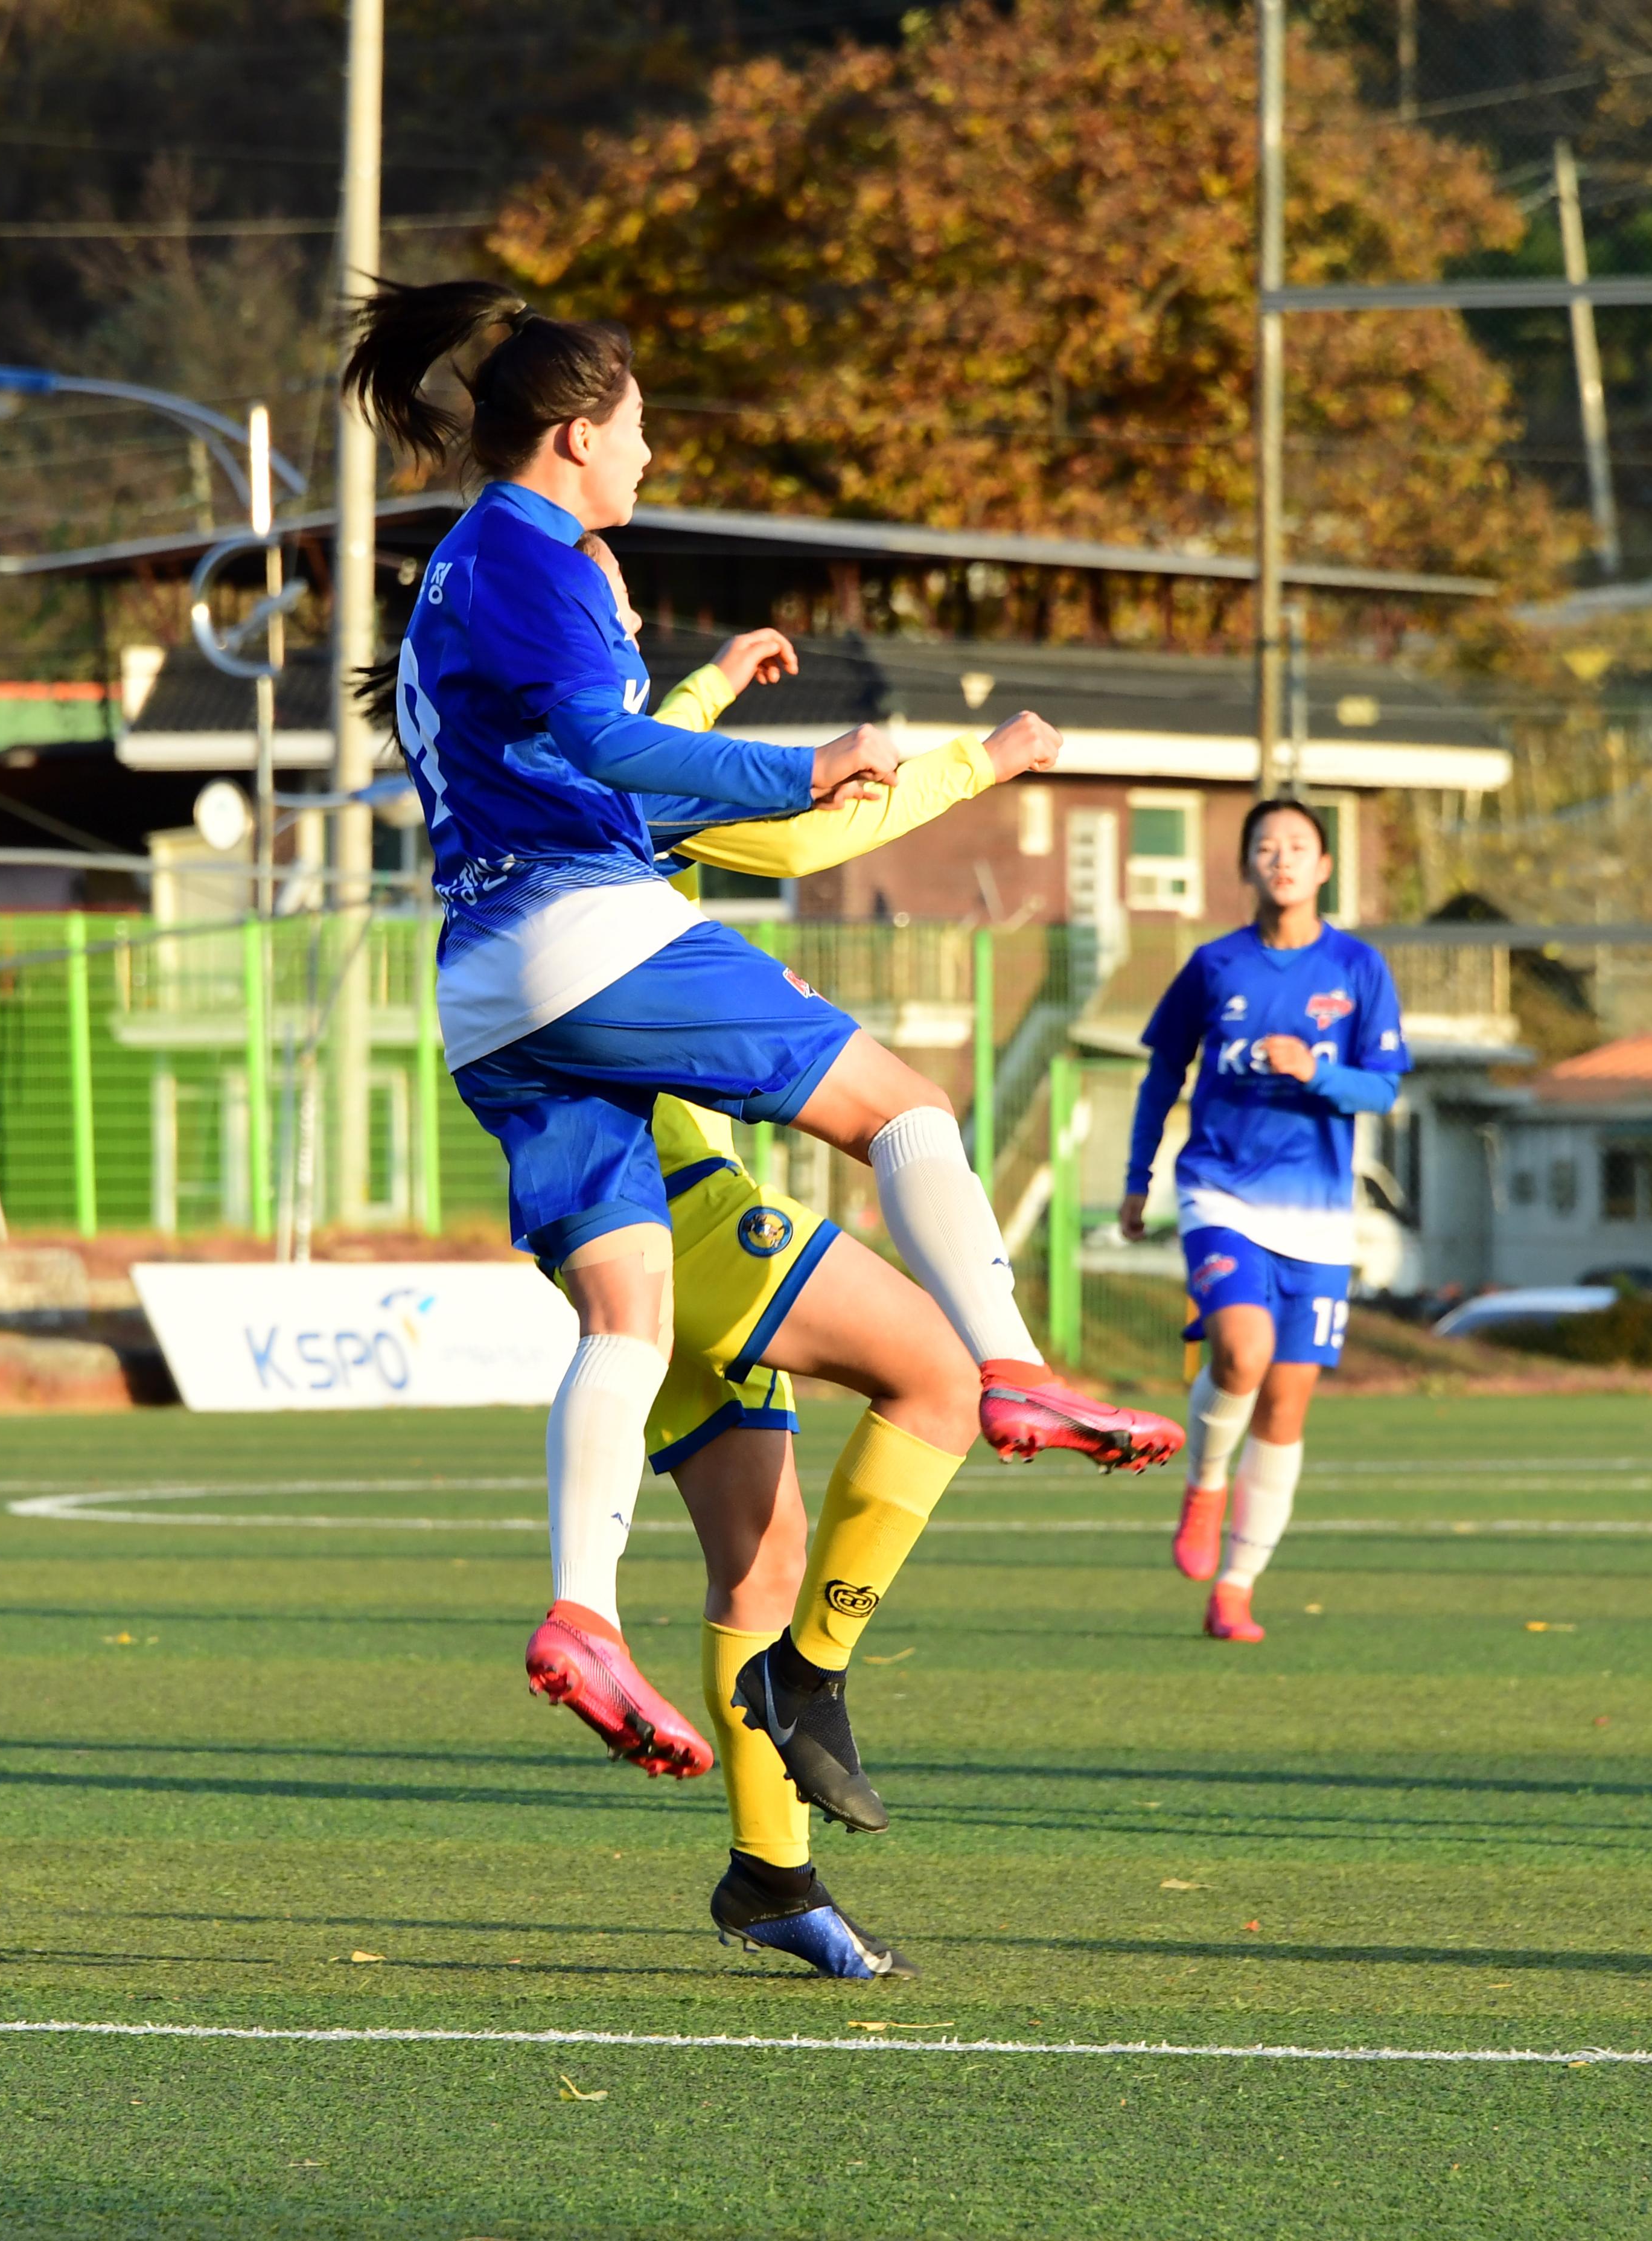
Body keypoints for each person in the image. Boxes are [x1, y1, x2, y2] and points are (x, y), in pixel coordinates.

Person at [340, 277, 1178, 1791]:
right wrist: (797, 774)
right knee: (907, 1110)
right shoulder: (544, 553)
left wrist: (737, 723)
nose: (652, 454)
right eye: (641, 427)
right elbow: (607, 749)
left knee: (627, 1318)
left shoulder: (461, 578)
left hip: (483, 991)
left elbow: (602, 774)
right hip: (578, 935)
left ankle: (582, 1619)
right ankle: (1010, 1368)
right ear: (578, 435)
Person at [610, 539, 1064, 1977]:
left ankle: (769, 1873)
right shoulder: (592, 783)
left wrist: (709, 672)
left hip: (609, 1207)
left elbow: (668, 746)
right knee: (938, 1367)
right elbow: (799, 834)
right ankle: (812, 1683)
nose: (615, 630)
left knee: (756, 1552)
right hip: (675, 1198)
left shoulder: (539, 762)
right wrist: (980, 766)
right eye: (611, 613)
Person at [1118, 801, 1408, 1643]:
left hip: (1317, 1216)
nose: (1281, 859)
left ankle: (1237, 1587)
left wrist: (1318, 1071)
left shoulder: (1358, 967)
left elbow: (1382, 1089)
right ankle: (1205, 1482)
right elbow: (1160, 1073)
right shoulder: (1215, 967)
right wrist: (1137, 1178)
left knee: (1285, 1407)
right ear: (1246, 866)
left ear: (1324, 867)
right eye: (1265, 847)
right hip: (1222, 1192)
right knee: (1239, 1352)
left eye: (1298, 847)